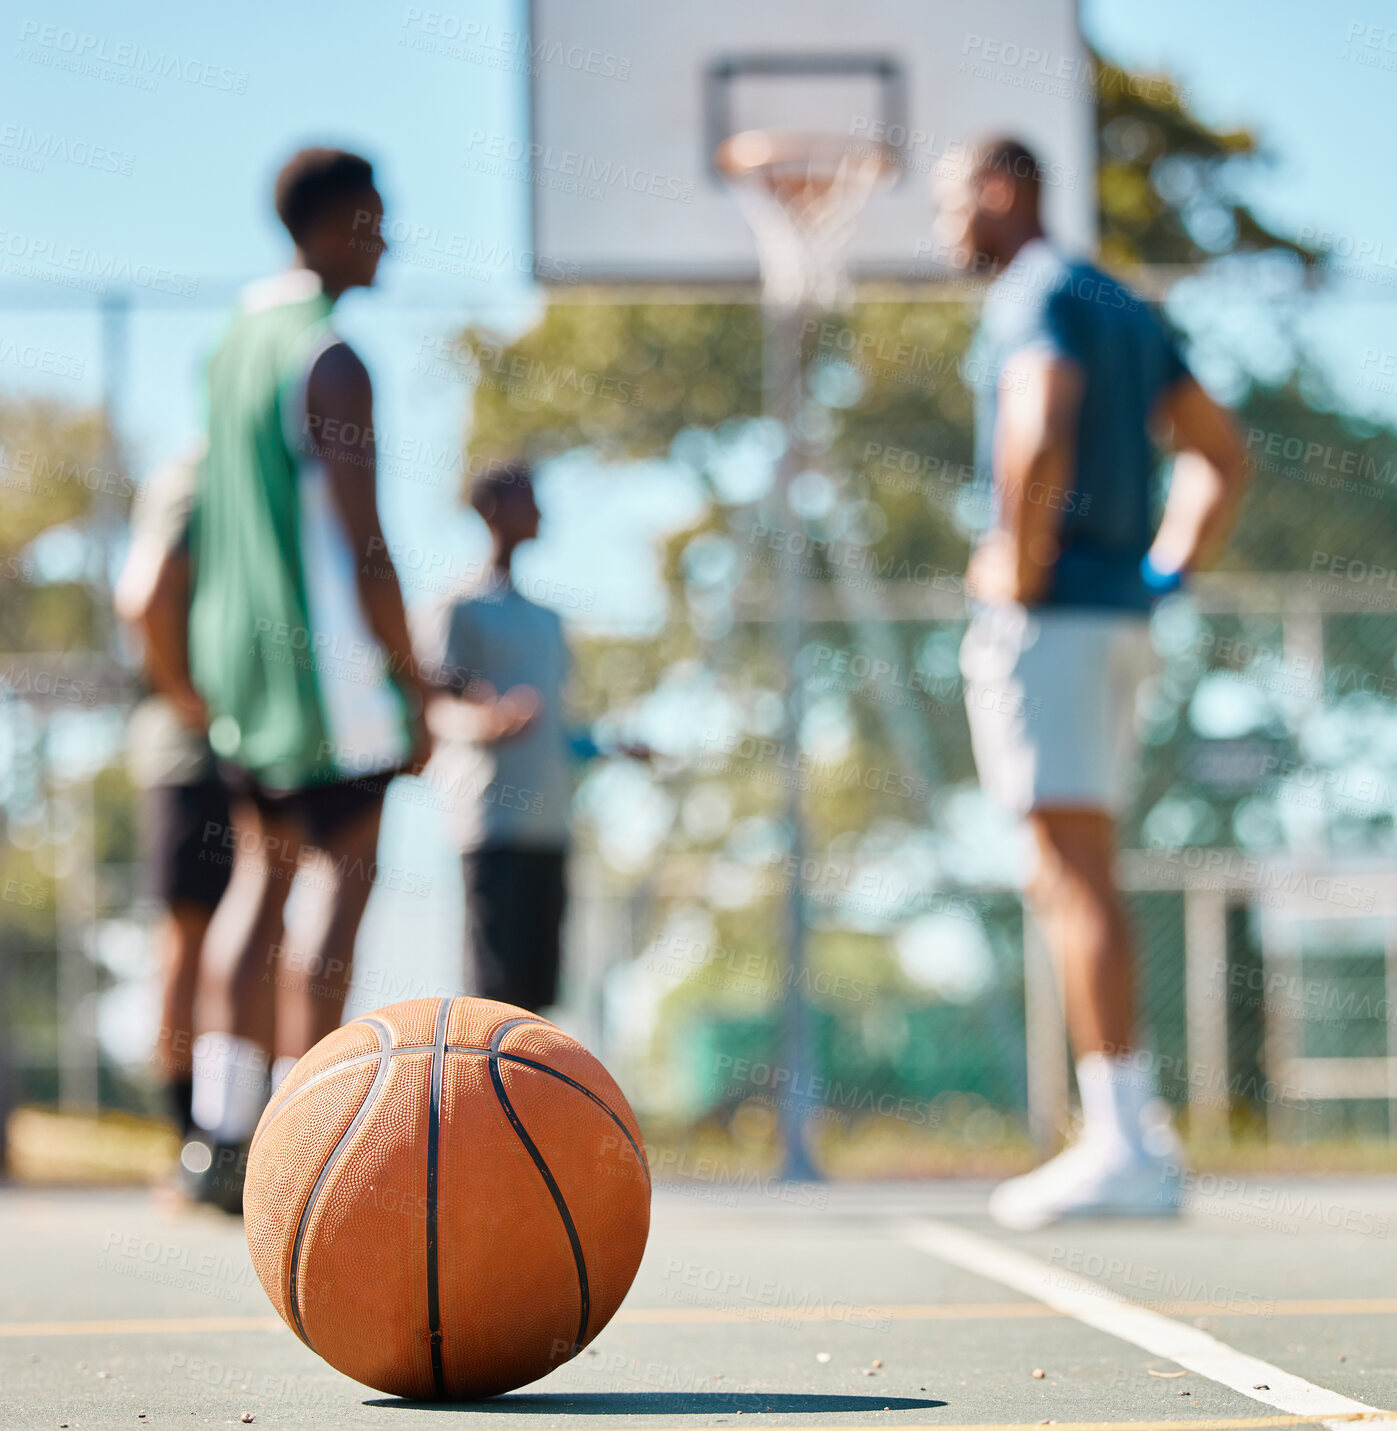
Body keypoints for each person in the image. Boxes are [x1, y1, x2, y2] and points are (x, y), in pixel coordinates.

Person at [935, 138, 1249, 1228]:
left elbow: (1035, 431)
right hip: (1113, 616)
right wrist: (1161, 570)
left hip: (1053, 617)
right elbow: (1221, 452)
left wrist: (1013, 574)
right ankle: (1133, 1131)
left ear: (1000, 189)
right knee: (1080, 866)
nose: (944, 230)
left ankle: (1118, 1138)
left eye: (949, 202)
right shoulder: (1121, 300)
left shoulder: (1034, 293)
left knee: (1071, 872)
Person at [183, 147, 430, 1208]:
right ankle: (303, 1135)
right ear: (327, 229)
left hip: (239, 659)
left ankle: (216, 1132)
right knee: (343, 880)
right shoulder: (332, 358)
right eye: (373, 223)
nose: (387, 242)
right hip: (325, 669)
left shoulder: (233, 346)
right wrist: (413, 679)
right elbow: (362, 539)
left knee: (258, 879)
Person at [418, 462, 645, 1014]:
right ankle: (476, 1101)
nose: (541, 512)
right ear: (491, 508)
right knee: (493, 995)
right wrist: (485, 722)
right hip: (493, 825)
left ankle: (533, 1102)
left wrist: (612, 747)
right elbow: (434, 706)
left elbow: (558, 733)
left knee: (538, 1001)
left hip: (551, 827)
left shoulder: (547, 621)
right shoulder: (458, 609)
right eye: (528, 499)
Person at [115, 451, 232, 1141]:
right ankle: (188, 1135)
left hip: (254, 754)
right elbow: (145, 595)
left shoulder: (268, 474)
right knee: (188, 940)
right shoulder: (193, 478)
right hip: (191, 760)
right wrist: (186, 695)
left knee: (257, 941)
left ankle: (239, 1125)